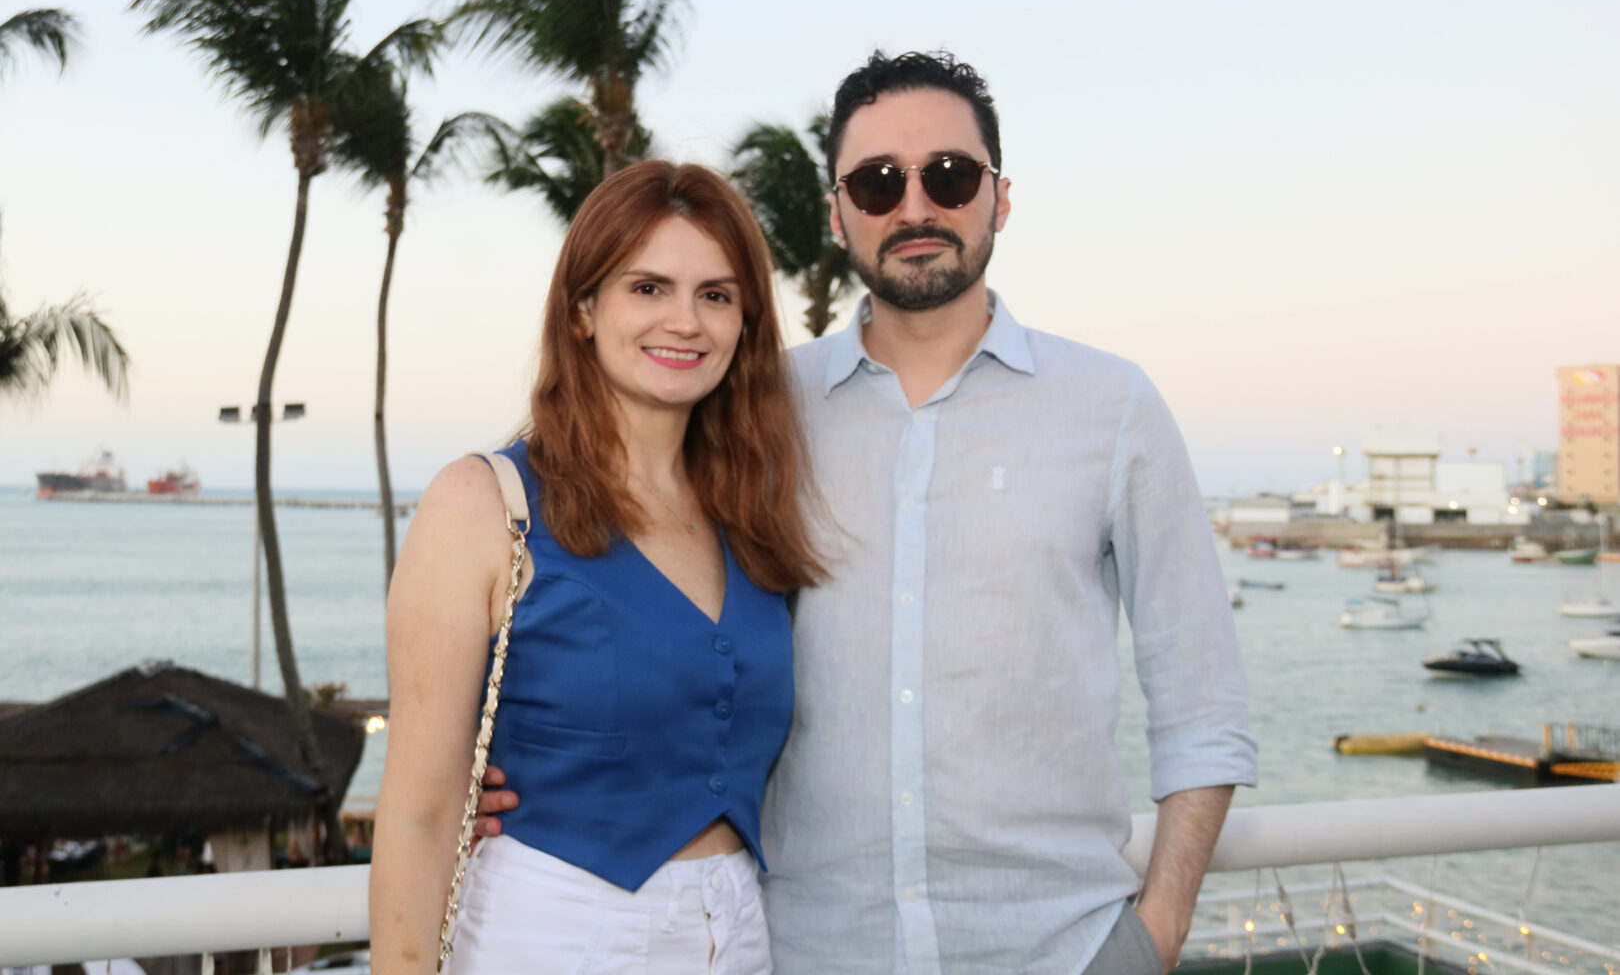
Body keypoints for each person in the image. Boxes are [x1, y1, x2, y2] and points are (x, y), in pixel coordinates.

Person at [478, 52, 1257, 974]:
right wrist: (493, 765)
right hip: (809, 951)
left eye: (950, 176)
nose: (915, 207)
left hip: (1063, 948)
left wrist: (1155, 934)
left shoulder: (1112, 407)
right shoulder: (755, 409)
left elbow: (1202, 701)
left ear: (1000, 198)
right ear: (837, 212)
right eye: (879, 182)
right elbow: (638, 603)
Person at [371, 161, 825, 975]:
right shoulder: (481, 503)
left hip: (740, 936)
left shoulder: (752, 515)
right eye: (648, 288)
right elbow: (417, 813)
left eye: (716, 295)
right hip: (552, 933)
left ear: (744, 323)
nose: (685, 321)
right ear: (583, 309)